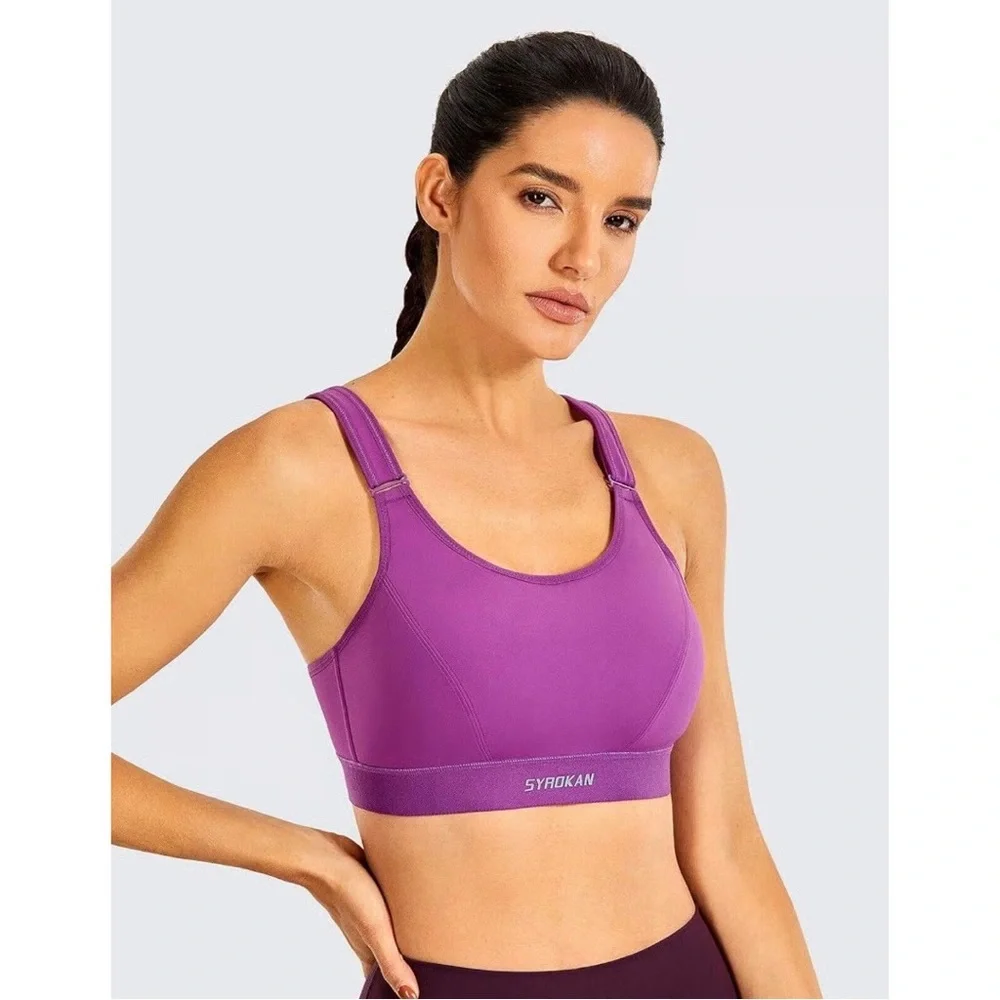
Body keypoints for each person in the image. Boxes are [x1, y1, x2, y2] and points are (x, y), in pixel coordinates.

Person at [112, 29, 822, 1000]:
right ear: (440, 193)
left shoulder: (669, 471)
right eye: (541, 198)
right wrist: (301, 855)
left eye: (621, 220)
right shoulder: (301, 468)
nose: (582, 257)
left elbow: (725, 840)